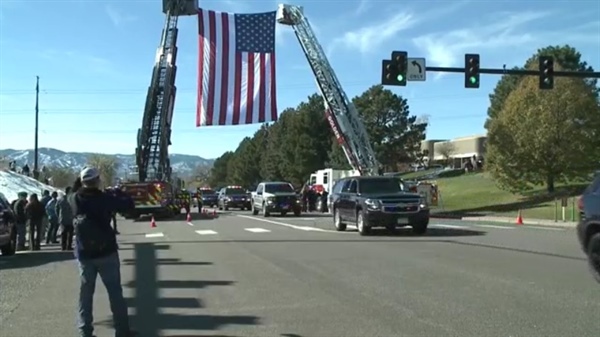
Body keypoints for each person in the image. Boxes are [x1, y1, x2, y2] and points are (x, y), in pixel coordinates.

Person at [71, 167, 136, 337]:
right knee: (115, 293)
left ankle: (85, 331)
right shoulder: (105, 199)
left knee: (85, 295)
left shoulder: (74, 199)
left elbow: (74, 189)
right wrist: (119, 192)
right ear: (97, 180)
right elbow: (129, 206)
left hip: (84, 254)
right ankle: (122, 331)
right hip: (106, 251)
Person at [56, 186, 74, 251]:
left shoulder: (61, 199)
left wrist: (59, 215)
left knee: (64, 233)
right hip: (69, 218)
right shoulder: (71, 199)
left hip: (63, 218)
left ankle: (64, 246)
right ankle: (68, 246)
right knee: (69, 233)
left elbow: (56, 208)